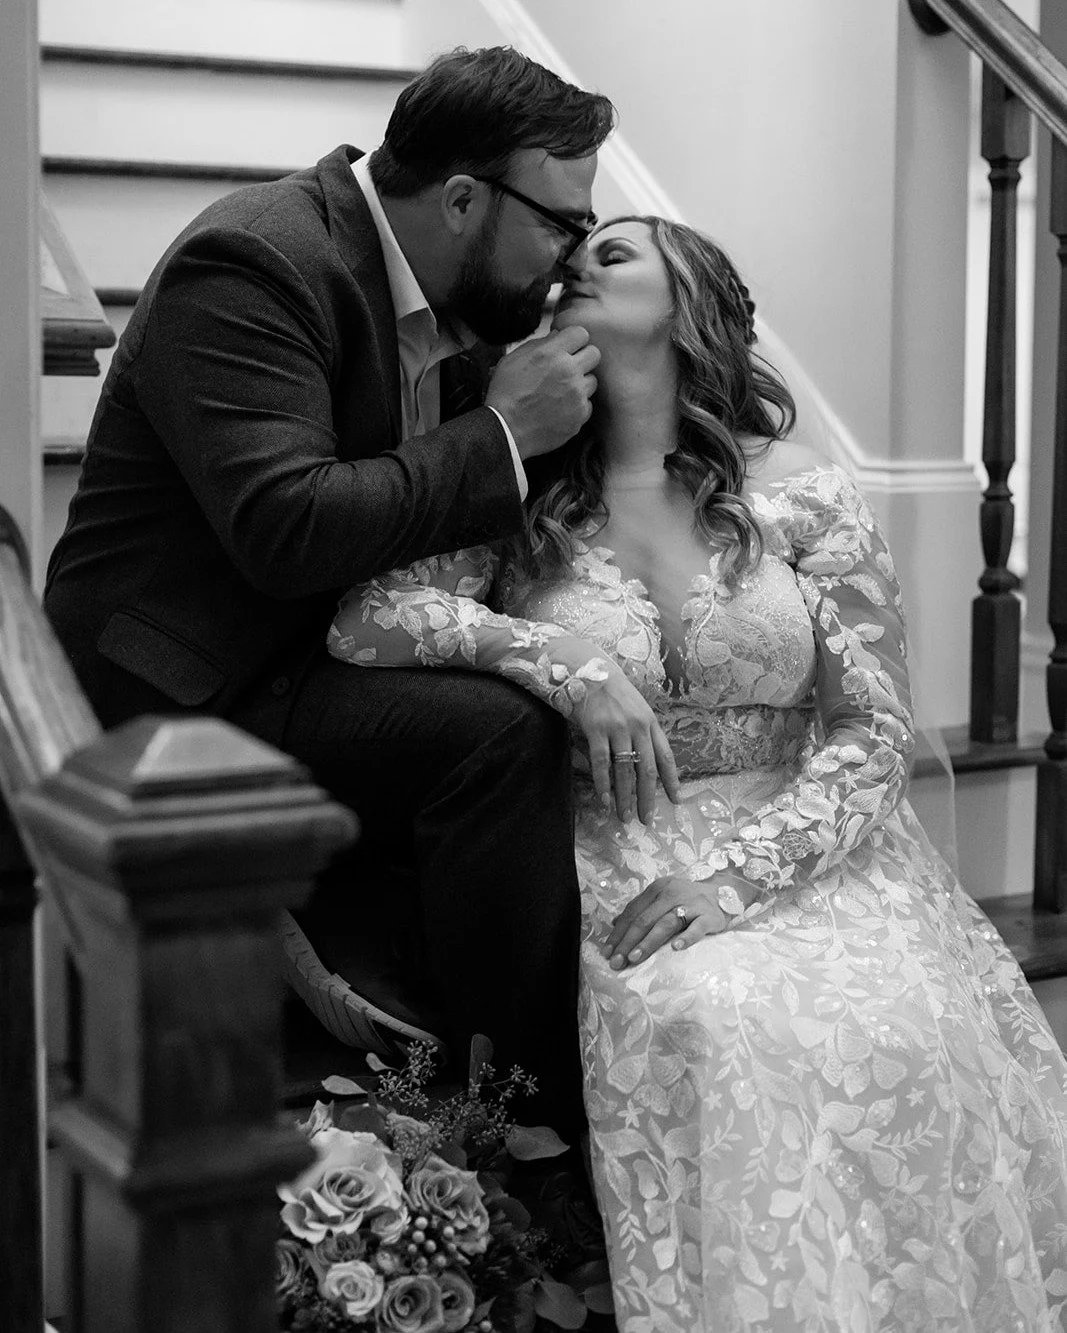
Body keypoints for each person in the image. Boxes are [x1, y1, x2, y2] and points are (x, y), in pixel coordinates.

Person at [327, 215, 1067, 1330]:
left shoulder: (806, 494)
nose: (575, 263)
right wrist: (555, 653)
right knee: (720, 1020)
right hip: (607, 848)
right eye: (567, 259)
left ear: (691, 301)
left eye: (613, 251)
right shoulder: (516, 491)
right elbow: (367, 618)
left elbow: (869, 728)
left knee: (896, 1025)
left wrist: (732, 882)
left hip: (797, 855)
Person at [42, 46, 617, 1138]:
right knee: (497, 734)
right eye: (559, 224)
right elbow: (288, 528)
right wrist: (497, 432)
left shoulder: (444, 298)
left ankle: (428, 1025)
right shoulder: (258, 259)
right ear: (460, 198)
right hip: (192, 686)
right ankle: (523, 1131)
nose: (566, 259)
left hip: (314, 651)